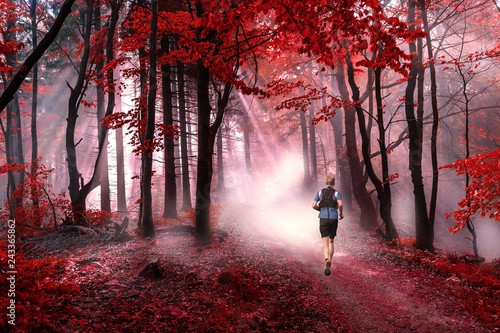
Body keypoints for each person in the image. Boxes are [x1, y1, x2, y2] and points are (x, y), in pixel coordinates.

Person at [312, 175, 343, 276]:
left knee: (324, 241)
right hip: (333, 218)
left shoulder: (320, 192)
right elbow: (340, 204)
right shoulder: (337, 193)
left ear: (326, 183)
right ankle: (329, 261)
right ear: (334, 183)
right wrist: (341, 213)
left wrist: (320, 210)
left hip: (323, 218)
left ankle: (326, 260)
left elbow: (313, 205)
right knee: (331, 241)